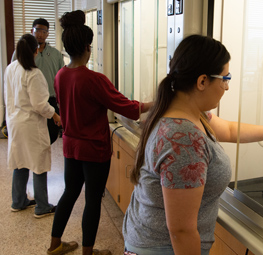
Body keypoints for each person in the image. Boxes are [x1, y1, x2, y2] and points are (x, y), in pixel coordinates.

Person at [122, 34, 263, 255]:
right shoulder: (183, 138)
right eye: (225, 78)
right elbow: (181, 230)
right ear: (202, 81)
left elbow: (231, 130)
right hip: (163, 248)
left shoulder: (186, 112)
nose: (226, 87)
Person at [47, 10, 152, 255]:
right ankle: (87, 252)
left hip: (71, 146)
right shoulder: (94, 79)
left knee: (70, 193)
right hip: (94, 148)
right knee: (93, 199)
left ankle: (54, 245)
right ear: (87, 47)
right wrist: (154, 103)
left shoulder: (60, 76)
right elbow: (128, 107)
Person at [4, 34, 61, 218]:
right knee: (38, 164)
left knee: (20, 163)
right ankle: (42, 206)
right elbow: (39, 105)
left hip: (14, 122)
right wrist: (54, 114)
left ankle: (18, 201)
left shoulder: (11, 68)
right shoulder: (33, 73)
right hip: (30, 125)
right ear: (35, 50)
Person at [12, 18, 65, 144]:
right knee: (32, 139)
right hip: (27, 102)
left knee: (51, 135)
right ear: (32, 31)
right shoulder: (19, 53)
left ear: (47, 34)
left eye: (44, 31)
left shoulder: (56, 54)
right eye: (37, 30)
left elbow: (61, 77)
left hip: (50, 99)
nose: (40, 34)